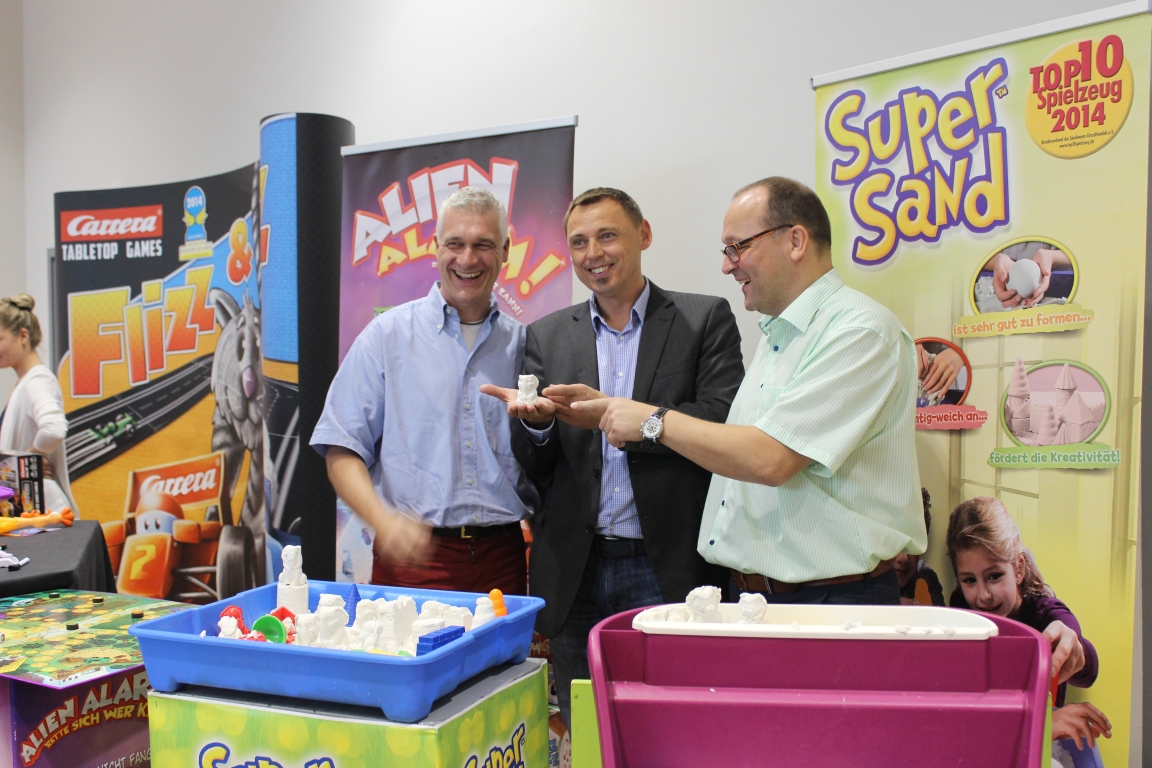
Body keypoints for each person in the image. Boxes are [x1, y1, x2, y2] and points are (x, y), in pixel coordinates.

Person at [583, 177, 925, 606]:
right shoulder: (780, 333)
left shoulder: (859, 330)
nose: (728, 266)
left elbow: (771, 458)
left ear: (796, 241)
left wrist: (653, 422)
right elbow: (741, 450)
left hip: (829, 599)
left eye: (737, 247)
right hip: (755, 595)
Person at [481, 187, 744, 725]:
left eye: (607, 236)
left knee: (676, 725)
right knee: (587, 727)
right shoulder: (547, 335)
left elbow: (720, 419)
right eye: (579, 242)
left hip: (668, 564)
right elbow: (535, 464)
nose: (593, 253)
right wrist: (537, 426)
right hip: (574, 571)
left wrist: (627, 420)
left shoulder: (702, 319)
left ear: (643, 235)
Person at [310, 187, 537, 594]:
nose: (467, 259)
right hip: (413, 563)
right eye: (455, 243)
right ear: (436, 247)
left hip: (503, 557)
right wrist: (384, 522)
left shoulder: (526, 345)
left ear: (505, 250)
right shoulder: (386, 336)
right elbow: (341, 450)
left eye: (483, 245)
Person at [946, 496, 1110, 751]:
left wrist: (1075, 648)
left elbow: (1088, 667)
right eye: (969, 580)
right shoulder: (961, 607)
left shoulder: (1045, 615)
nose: (983, 595)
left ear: (1019, 569)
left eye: (994, 576)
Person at [0, 294, 76, 515]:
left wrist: (27, 459)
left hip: (39, 512)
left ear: (23, 336)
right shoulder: (26, 382)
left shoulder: (37, 381)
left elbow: (54, 428)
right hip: (27, 511)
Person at [895, 488, 944, 606]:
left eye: (914, 544)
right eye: (895, 542)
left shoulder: (927, 578)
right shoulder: (861, 582)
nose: (904, 558)